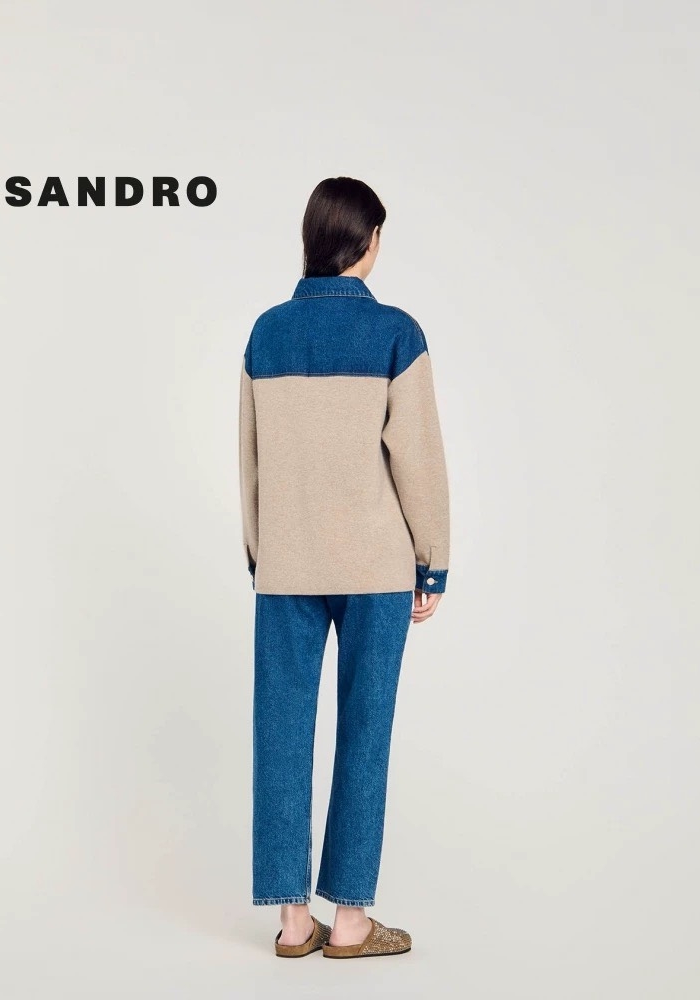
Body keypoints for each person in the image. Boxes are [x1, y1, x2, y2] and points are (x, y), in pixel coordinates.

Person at [238, 176, 451, 959]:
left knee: (280, 730)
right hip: (376, 566)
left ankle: (294, 922)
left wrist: (262, 553)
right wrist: (432, 563)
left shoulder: (267, 333)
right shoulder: (396, 333)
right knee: (366, 730)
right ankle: (353, 921)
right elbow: (418, 461)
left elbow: (250, 461)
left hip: (287, 562)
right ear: (368, 241)